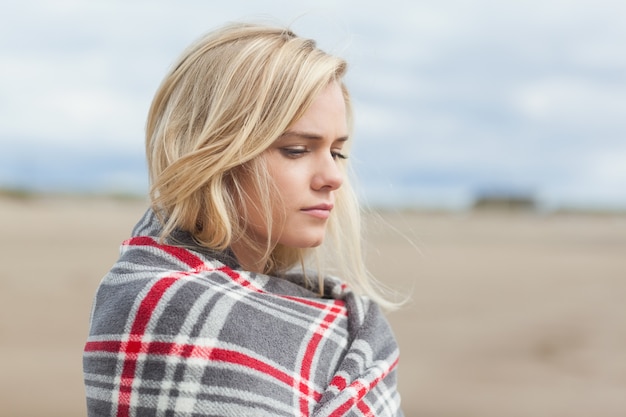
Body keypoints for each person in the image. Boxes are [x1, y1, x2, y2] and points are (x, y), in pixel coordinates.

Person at [83, 22, 403, 417]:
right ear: (215, 152)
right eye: (297, 149)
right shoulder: (165, 307)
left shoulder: (338, 321)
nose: (333, 177)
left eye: (337, 152)